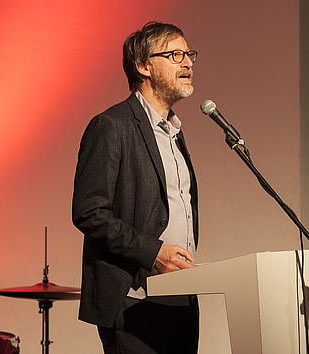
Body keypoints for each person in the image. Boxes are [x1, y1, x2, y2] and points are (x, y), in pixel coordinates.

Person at [72, 21, 199, 354]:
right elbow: (89, 213)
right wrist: (153, 251)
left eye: (189, 55)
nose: (187, 63)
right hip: (133, 300)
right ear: (144, 67)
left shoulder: (174, 132)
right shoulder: (112, 126)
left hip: (181, 297)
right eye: (175, 54)